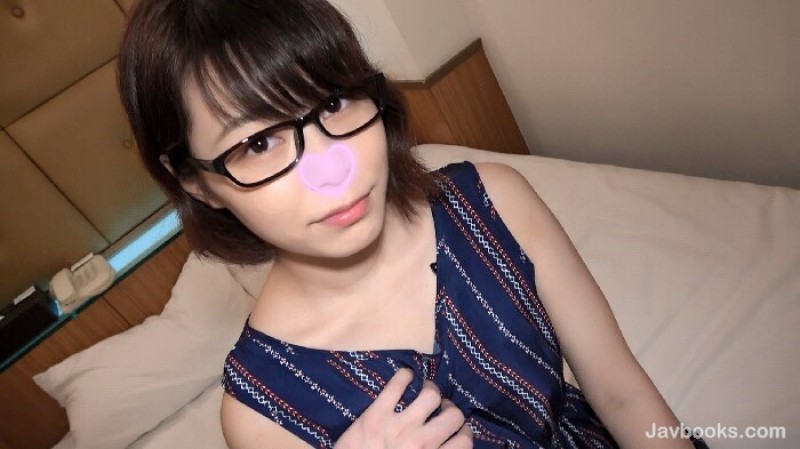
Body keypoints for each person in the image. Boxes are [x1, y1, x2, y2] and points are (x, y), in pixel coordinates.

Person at [117, 1, 709, 448]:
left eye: (332, 104)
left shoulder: (493, 201)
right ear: (196, 181)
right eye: (258, 143)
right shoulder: (259, 416)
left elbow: (622, 396)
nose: (334, 171)